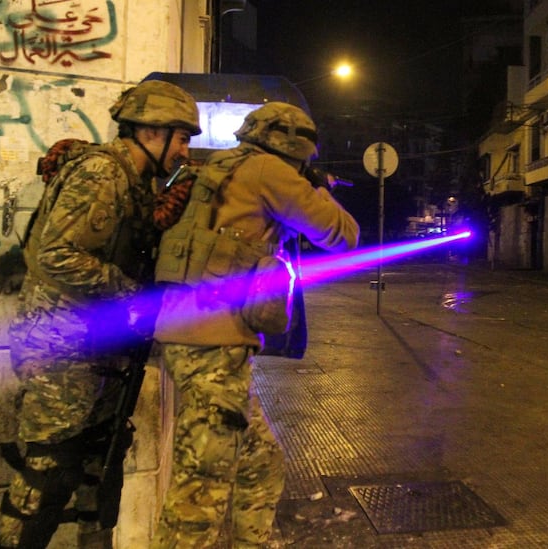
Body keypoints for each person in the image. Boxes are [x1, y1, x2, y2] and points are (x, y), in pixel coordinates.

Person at [0, 79, 201, 549]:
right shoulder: (102, 172)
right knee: (50, 470)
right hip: (61, 347)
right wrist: (132, 292)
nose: (184, 150)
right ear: (151, 131)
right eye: (181, 137)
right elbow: (56, 255)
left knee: (98, 465)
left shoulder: (137, 180)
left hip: (95, 346)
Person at [149, 102, 360, 548]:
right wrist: (317, 189)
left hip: (195, 336)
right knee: (201, 491)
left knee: (261, 465)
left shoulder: (223, 164)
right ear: (295, 149)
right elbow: (340, 235)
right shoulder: (269, 171)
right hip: (212, 343)